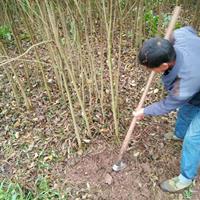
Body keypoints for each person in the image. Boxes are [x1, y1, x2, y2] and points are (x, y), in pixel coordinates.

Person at [134, 26, 200, 192]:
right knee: (186, 109)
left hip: (195, 82)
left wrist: (145, 111)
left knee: (193, 138)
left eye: (150, 68)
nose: (149, 71)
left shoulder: (184, 83)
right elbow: (189, 30)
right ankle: (179, 134)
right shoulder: (179, 36)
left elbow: (168, 104)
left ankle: (185, 179)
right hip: (196, 90)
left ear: (164, 65)